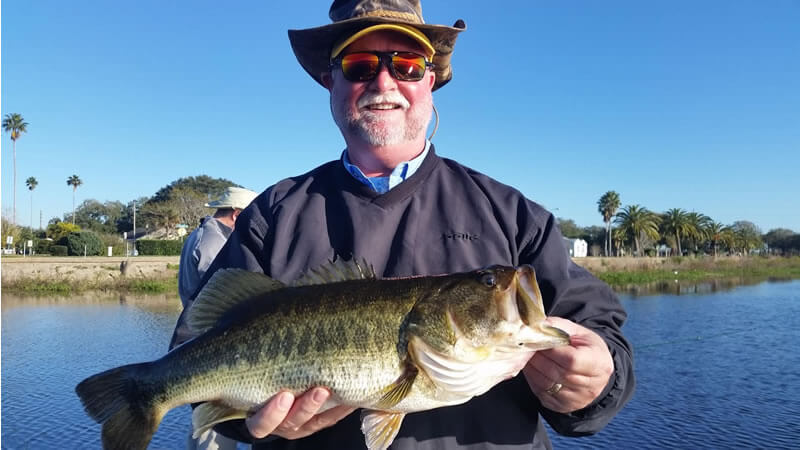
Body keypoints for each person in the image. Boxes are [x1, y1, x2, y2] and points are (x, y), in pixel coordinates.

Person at [170, 1, 635, 449]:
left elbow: (601, 338)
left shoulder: (510, 213)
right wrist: (257, 426)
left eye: (408, 64)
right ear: (330, 80)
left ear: (429, 81)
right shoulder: (272, 215)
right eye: (360, 64)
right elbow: (196, 352)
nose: (384, 81)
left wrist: (593, 383)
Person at [178, 185, 258, 450]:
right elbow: (218, 295)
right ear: (237, 214)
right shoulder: (214, 240)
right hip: (211, 342)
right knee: (213, 434)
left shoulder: (200, 234)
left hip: (203, 339)